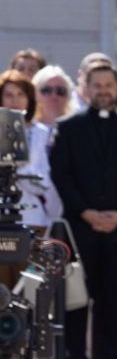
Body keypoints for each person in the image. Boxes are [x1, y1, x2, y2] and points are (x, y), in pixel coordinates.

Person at [49, 61, 117, 359]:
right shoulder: (67, 128)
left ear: (116, 88)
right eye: (98, 85)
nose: (104, 91)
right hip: (82, 229)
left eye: (109, 85)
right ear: (86, 88)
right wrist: (85, 212)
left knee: (116, 299)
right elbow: (62, 177)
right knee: (77, 300)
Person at [0, 70, 40, 287]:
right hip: (2, 223)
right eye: (9, 94)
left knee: (31, 293)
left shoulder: (44, 134)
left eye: (20, 94)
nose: (15, 101)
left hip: (34, 221)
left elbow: (46, 182)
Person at [26, 65, 73, 228]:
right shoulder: (28, 132)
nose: (54, 96)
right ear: (35, 94)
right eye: (46, 90)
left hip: (71, 211)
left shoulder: (78, 131)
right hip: (35, 213)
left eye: (60, 91)